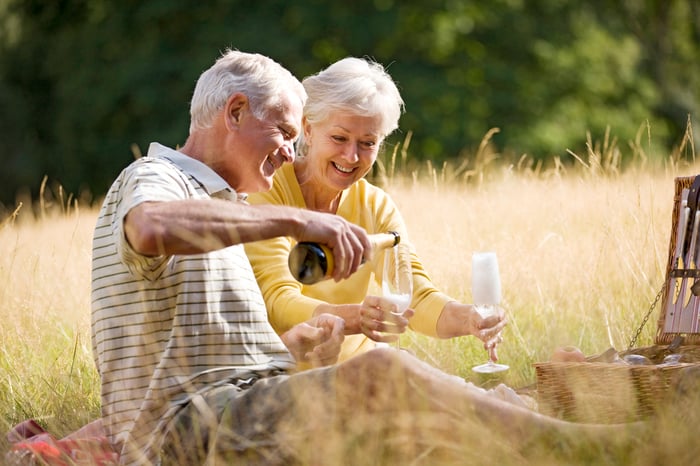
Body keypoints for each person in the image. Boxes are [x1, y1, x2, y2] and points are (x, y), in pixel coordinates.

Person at [91, 49, 643, 466]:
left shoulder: (225, 205)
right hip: (179, 433)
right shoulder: (158, 178)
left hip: (227, 410)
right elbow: (149, 225)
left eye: (368, 143)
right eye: (285, 132)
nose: (290, 150)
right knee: (381, 372)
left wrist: (294, 350)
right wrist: (302, 220)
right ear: (235, 112)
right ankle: (595, 451)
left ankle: (562, 431)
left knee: (429, 428)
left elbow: (214, 358)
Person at [244, 57, 506, 364]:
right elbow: (277, 300)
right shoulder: (268, 193)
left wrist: (468, 319)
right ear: (308, 128)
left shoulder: (376, 206)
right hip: (285, 376)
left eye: (367, 143)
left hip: (360, 371)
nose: (351, 156)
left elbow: (415, 296)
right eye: (339, 138)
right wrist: (357, 318)